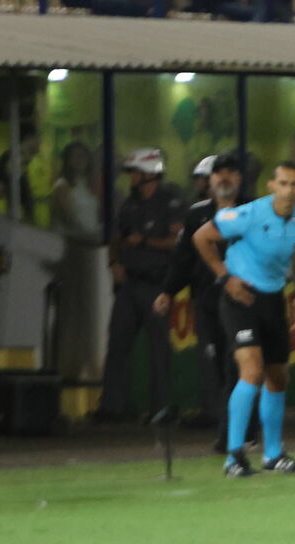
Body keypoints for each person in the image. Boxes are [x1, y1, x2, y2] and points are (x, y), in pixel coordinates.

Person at [192, 160, 295, 477]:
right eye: (284, 184)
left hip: (273, 298)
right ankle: (234, 456)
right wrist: (225, 278)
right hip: (241, 297)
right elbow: (201, 238)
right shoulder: (248, 215)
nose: (289, 191)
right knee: (252, 371)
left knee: (277, 377)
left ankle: (273, 454)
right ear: (271, 187)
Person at [154, 154, 243, 451]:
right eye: (217, 175)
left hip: (242, 301)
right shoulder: (196, 215)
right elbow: (183, 258)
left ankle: (231, 433)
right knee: (217, 365)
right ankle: (234, 428)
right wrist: (168, 291)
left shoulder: (251, 211)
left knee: (239, 364)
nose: (222, 180)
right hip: (206, 301)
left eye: (229, 174)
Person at [95, 148, 184, 421]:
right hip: (129, 283)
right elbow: (116, 238)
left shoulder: (170, 202)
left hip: (156, 283)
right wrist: (114, 263)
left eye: (134, 172)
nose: (131, 177)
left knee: (158, 349)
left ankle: (161, 409)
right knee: (117, 343)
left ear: (148, 174)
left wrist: (144, 242)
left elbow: (177, 241)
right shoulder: (129, 203)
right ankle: (113, 406)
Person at [49, 141, 100, 242]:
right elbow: (71, 220)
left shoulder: (86, 183)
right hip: (70, 243)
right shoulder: (62, 185)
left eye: (83, 155)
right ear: (68, 161)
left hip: (88, 240)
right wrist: (91, 236)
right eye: (75, 156)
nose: (80, 159)